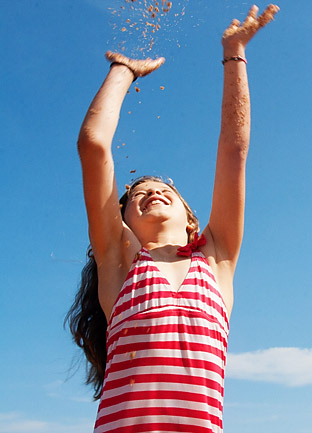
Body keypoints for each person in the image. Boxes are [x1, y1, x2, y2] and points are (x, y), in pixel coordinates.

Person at [66, 5, 279, 432]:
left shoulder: (216, 257)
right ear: (122, 220)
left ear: (191, 220)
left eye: (166, 190)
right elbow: (93, 146)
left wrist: (235, 53)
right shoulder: (121, 262)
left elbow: (234, 151)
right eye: (138, 195)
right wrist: (124, 71)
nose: (154, 192)